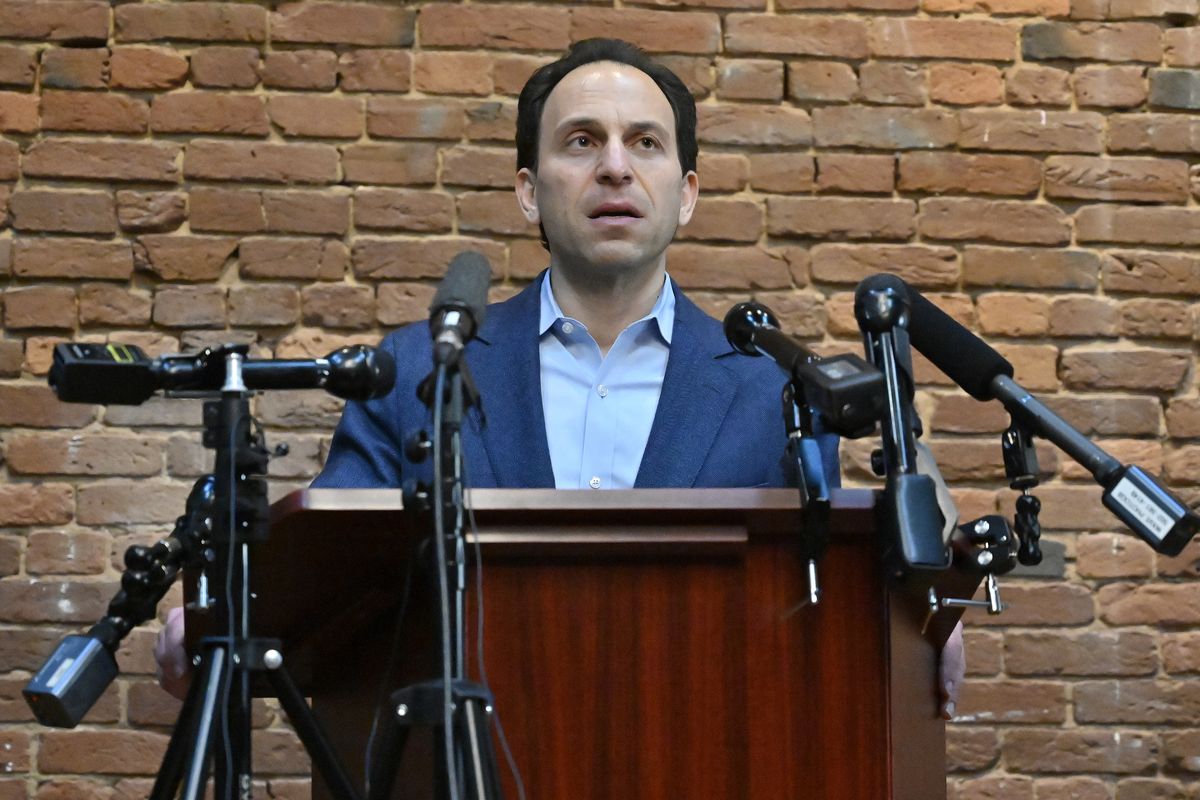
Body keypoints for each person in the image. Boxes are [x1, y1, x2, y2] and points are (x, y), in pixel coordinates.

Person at [157, 37, 962, 715]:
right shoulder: (414, 370)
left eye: (645, 143)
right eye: (581, 142)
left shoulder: (771, 389)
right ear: (526, 192)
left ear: (685, 197)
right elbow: (326, 577)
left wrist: (921, 611)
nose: (615, 168)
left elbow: (824, 588)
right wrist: (211, 602)